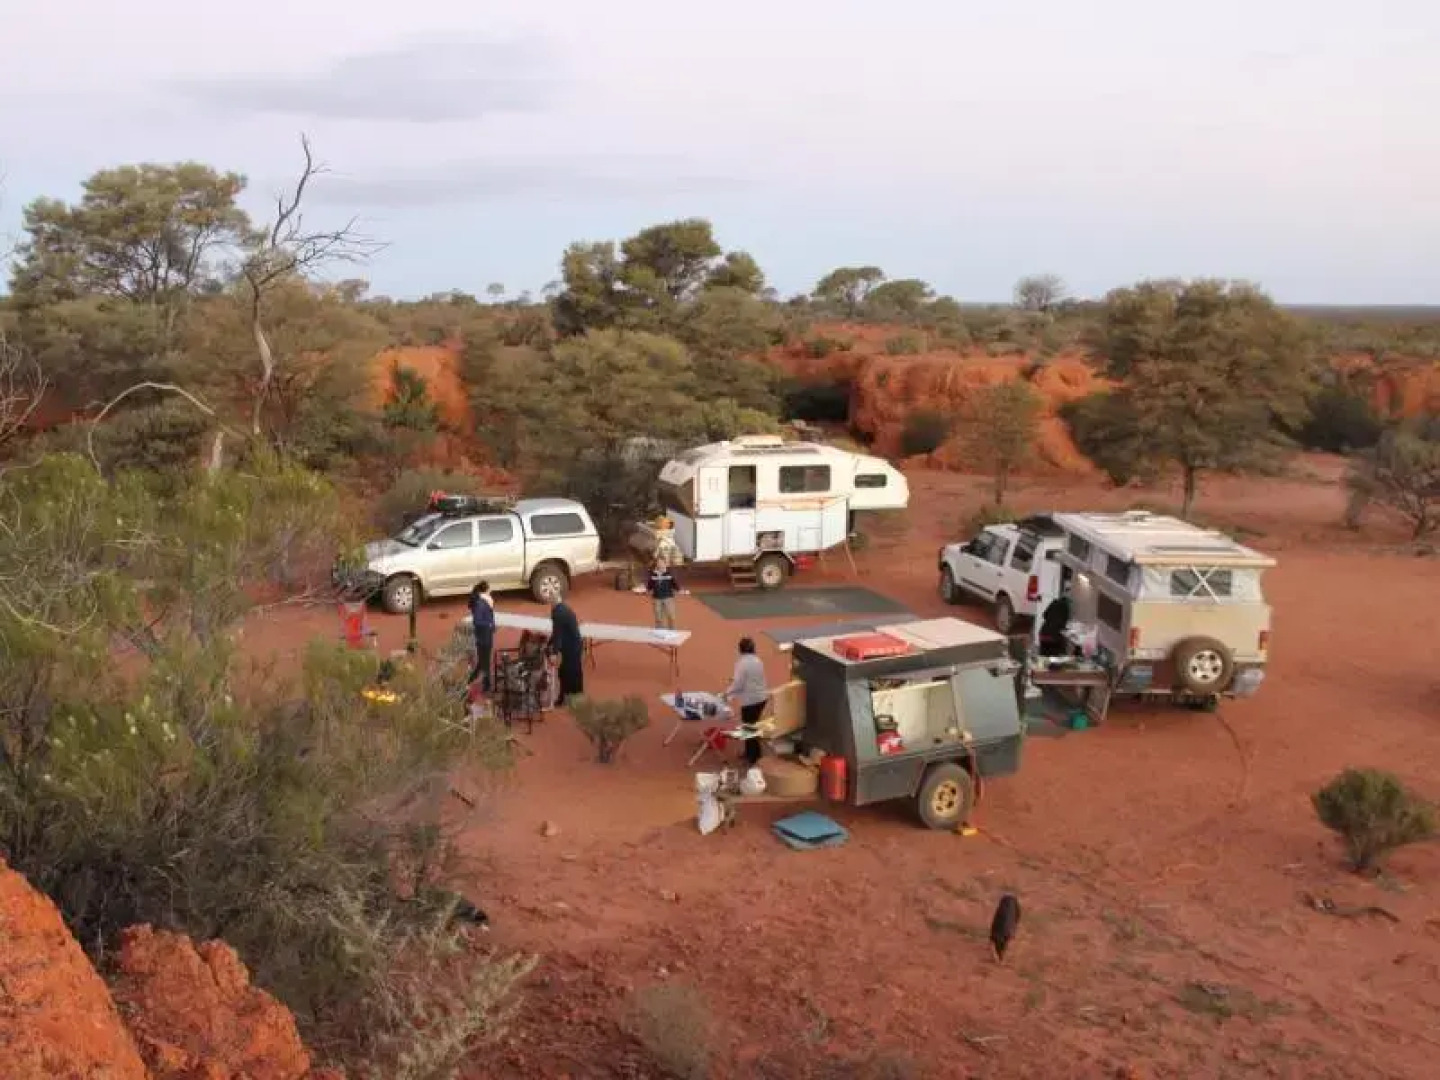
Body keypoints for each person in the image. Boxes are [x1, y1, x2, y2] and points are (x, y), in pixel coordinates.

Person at [722, 636, 769, 767]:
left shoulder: (741, 663)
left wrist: (727, 694)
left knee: (749, 728)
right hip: (761, 698)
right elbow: (747, 681)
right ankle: (750, 753)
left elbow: (738, 684)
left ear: (740, 649)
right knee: (750, 726)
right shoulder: (758, 661)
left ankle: (754, 757)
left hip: (751, 700)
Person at [547, 596, 585, 704]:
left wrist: (554, 652)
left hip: (571, 647)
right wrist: (549, 643)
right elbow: (558, 632)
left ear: (553, 602)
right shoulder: (563, 609)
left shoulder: (558, 613)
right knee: (572, 672)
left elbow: (558, 634)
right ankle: (572, 697)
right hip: (574, 645)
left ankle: (567, 698)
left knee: (568, 672)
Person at [465, 581, 496, 691]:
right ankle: (485, 685)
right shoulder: (481, 603)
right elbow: (477, 621)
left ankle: (473, 682)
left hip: (485, 635)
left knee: (483, 661)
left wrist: (492, 625)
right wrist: (489, 624)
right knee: (485, 662)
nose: (490, 590)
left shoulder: (485, 602)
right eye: (489, 589)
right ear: (485, 590)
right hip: (483, 636)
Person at [645, 556, 687, 630]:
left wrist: (680, 590)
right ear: (656, 564)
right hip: (657, 598)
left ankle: (672, 631)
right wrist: (646, 589)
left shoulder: (669, 574)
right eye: (658, 563)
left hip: (668, 598)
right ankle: (660, 631)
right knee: (658, 617)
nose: (660, 564)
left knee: (671, 616)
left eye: (661, 563)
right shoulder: (653, 575)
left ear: (665, 564)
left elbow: (675, 584)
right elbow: (649, 586)